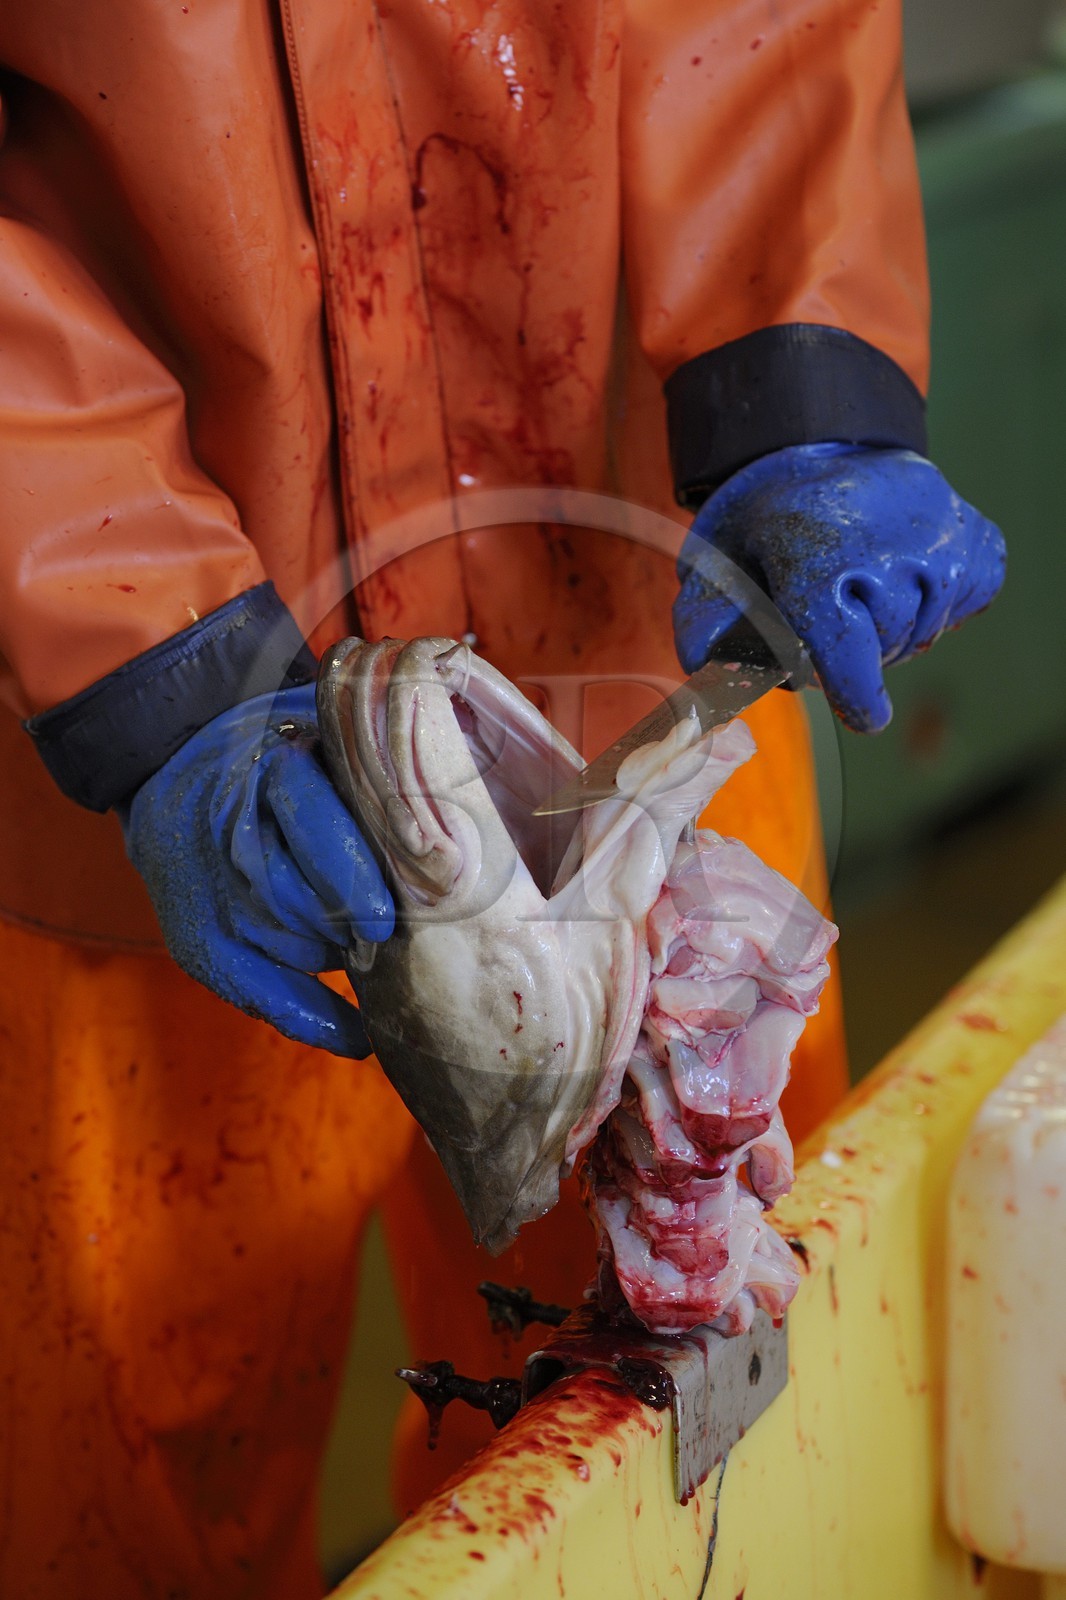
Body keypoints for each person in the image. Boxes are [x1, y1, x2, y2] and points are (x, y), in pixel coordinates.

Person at [0, 2, 1003, 1594]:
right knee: (126, 1479)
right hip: (125, 771)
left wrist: (801, 378)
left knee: (722, 1397)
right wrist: (139, 649)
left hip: (635, 660)